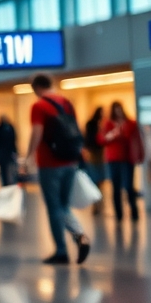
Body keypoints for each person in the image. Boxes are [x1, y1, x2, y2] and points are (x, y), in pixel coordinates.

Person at [24, 74, 91, 265]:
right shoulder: (67, 103)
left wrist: (29, 156)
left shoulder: (39, 106)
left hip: (50, 164)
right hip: (70, 161)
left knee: (54, 208)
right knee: (63, 206)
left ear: (36, 87)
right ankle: (80, 236)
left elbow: (37, 132)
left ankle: (61, 250)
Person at [98, 102, 140, 222]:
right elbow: (101, 139)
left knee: (129, 186)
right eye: (116, 110)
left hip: (127, 158)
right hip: (113, 158)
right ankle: (119, 214)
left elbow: (135, 138)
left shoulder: (130, 123)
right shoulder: (108, 124)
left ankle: (134, 211)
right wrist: (111, 135)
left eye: (120, 109)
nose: (118, 112)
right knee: (116, 186)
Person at [82, 107, 106, 216]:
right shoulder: (92, 124)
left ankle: (99, 204)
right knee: (95, 179)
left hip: (100, 153)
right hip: (94, 153)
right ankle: (97, 204)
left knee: (99, 180)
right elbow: (88, 139)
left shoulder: (102, 124)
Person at [0, 115, 18, 186]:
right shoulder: (1, 128)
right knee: (5, 170)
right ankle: (7, 184)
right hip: (4, 153)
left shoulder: (8, 128)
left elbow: (13, 140)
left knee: (10, 170)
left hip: (7, 152)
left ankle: (11, 183)